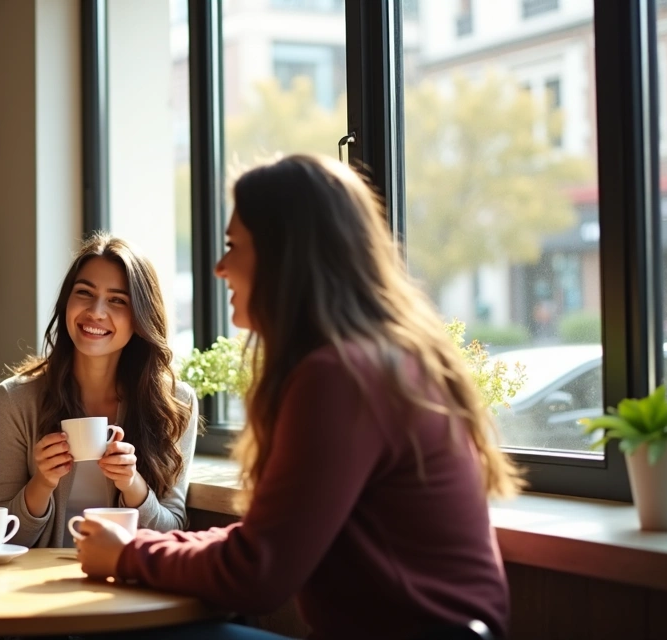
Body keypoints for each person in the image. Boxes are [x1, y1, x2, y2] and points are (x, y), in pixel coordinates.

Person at [75, 155, 519, 640]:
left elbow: (257, 573)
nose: (221, 268)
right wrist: (142, 547)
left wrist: (128, 555)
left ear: (284, 256)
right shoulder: (374, 360)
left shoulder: (342, 376)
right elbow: (268, 540)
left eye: (232, 246)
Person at [0, 233, 198, 548]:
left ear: (140, 318)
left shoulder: (174, 403)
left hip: (123, 584)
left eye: (117, 300)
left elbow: (172, 532)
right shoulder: (15, 400)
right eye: (84, 293)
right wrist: (42, 483)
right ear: (66, 303)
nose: (96, 312)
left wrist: (132, 484)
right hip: (35, 589)